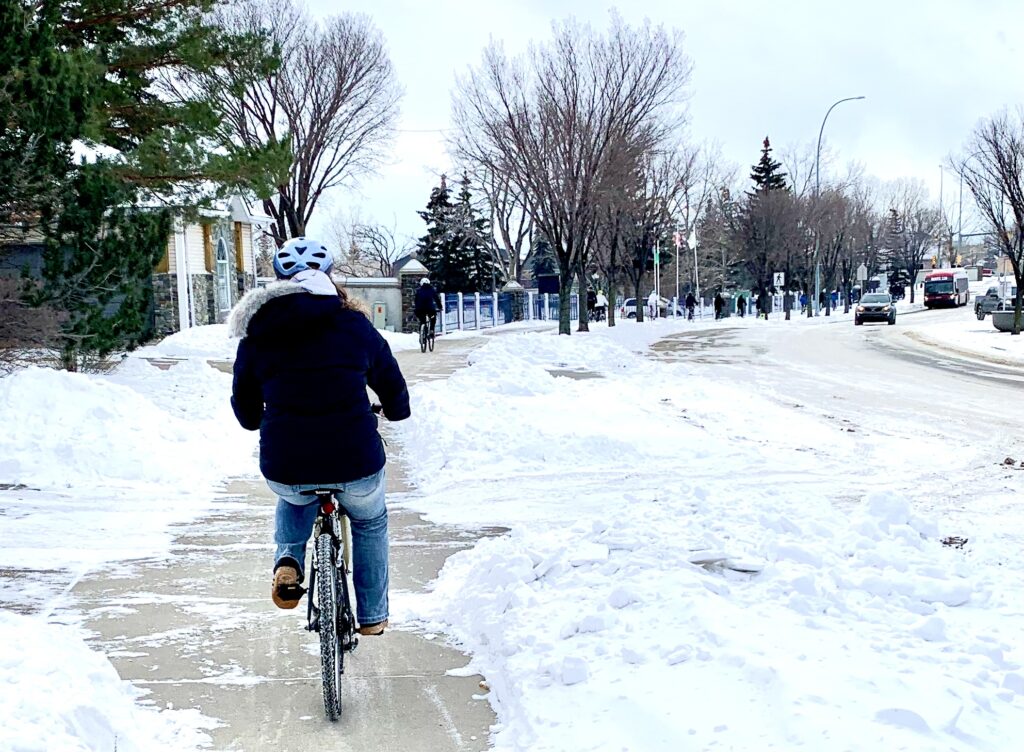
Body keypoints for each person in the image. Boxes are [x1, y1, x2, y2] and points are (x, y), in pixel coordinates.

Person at [228, 236, 411, 637]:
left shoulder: (257, 331)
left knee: (294, 495)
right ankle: (373, 616)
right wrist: (397, 410)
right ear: (329, 276)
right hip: (356, 459)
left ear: (278, 280)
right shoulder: (353, 324)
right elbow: (389, 377)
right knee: (370, 521)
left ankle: (288, 561)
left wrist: (256, 419)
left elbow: (244, 403)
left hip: (286, 461)